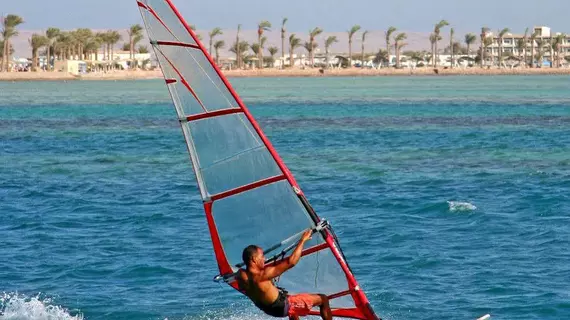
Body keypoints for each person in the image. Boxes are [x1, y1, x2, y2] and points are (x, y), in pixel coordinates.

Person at [237, 229, 332, 320]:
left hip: (268, 310)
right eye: (262, 256)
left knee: (291, 304)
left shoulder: (240, 275)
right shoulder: (264, 275)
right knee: (323, 299)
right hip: (282, 307)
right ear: (254, 259)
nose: (264, 259)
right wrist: (302, 241)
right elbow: (291, 262)